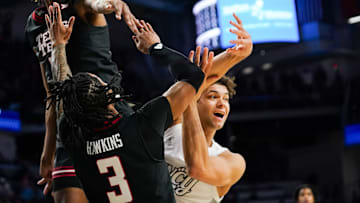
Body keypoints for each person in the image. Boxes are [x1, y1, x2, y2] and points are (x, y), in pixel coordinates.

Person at [45, 5, 214, 202]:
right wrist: (154, 47)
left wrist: (58, 48)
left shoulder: (73, 135)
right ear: (109, 94)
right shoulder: (143, 124)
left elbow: (63, 94)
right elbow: (193, 75)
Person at [25, 0, 139, 202]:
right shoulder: (33, 25)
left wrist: (115, 3)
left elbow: (98, 4)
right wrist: (47, 153)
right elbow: (52, 93)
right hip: (71, 124)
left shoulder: (80, 4)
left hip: (108, 113)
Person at [164, 13, 251, 203]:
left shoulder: (232, 161)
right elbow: (188, 84)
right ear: (196, 100)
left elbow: (198, 168)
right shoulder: (172, 126)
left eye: (226, 99)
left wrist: (237, 54)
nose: (222, 104)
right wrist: (232, 56)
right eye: (213, 96)